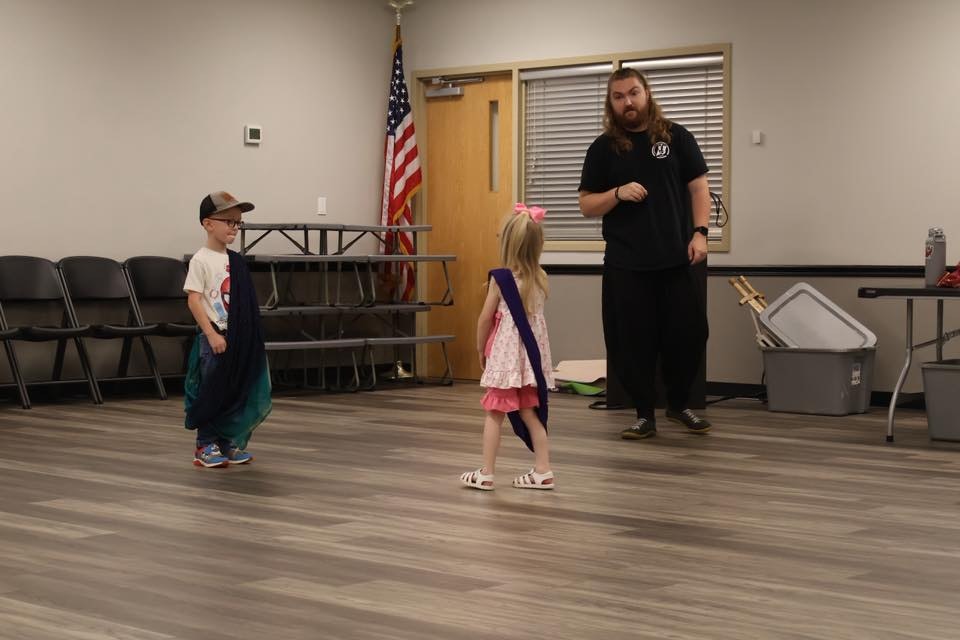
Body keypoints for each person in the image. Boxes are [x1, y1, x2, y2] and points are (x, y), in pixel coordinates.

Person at [578, 68, 711, 440]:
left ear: (647, 93)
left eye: (634, 93)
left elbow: (700, 189)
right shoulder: (602, 148)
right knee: (632, 343)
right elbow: (586, 205)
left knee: (690, 334)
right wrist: (617, 193)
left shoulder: (677, 137)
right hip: (626, 264)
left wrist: (701, 234)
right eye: (619, 96)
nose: (628, 102)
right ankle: (643, 415)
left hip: (676, 259)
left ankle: (679, 405)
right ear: (611, 103)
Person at [460, 204, 555, 490]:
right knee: (529, 412)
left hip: (505, 361)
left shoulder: (500, 280)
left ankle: (486, 473)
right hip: (530, 363)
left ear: (508, 245)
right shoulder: (541, 278)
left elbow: (485, 319)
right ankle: (543, 470)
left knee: (494, 413)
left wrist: (480, 349)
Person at [183, 191, 272, 467]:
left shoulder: (236, 261)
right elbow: (194, 299)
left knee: (235, 388)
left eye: (238, 222)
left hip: (237, 337)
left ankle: (226, 441)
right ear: (208, 223)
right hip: (215, 337)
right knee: (213, 389)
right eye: (229, 221)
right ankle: (205, 444)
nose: (234, 227)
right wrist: (211, 334)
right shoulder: (201, 260)